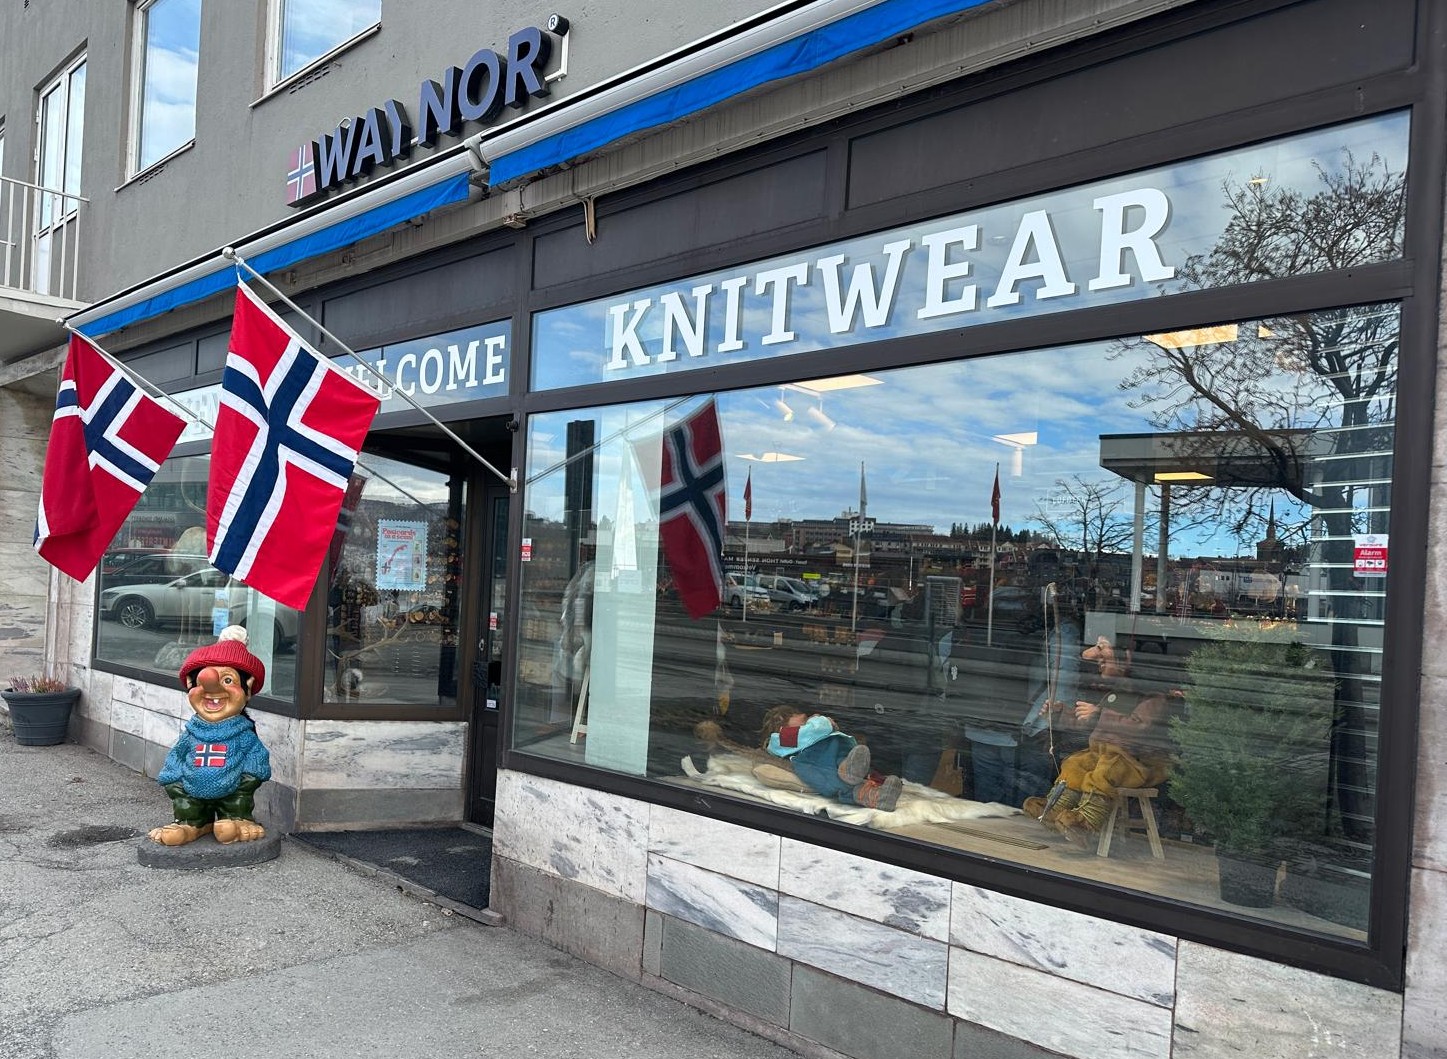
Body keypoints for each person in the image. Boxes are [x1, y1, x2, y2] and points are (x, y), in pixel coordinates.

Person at [1021, 636, 1179, 847]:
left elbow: (1139, 727)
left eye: (1106, 658)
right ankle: (1055, 808)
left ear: (1126, 662)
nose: (1100, 663)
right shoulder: (1114, 695)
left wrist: (1099, 714)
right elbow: (1085, 724)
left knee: (1106, 769)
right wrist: (1061, 713)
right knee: (1075, 763)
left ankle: (1086, 822)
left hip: (1137, 763)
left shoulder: (1154, 699)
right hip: (1105, 754)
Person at [148, 625, 272, 846]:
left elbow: (256, 762)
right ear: (190, 685)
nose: (211, 689)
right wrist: (175, 782)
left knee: (236, 803)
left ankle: (237, 819)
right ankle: (191, 823)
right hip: (191, 792)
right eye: (200, 683)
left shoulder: (243, 735)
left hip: (233, 793)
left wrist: (245, 782)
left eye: (228, 680)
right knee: (188, 805)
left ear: (248, 688)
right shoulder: (191, 734)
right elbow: (175, 759)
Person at [761, 707, 903, 811]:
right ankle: (854, 775)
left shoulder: (800, 734)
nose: (804, 715)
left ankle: (877, 794)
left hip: (835, 752)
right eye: (792, 715)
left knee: (848, 772)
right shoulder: (784, 737)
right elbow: (817, 729)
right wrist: (821, 720)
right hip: (819, 761)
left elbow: (815, 732)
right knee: (835, 779)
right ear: (781, 726)